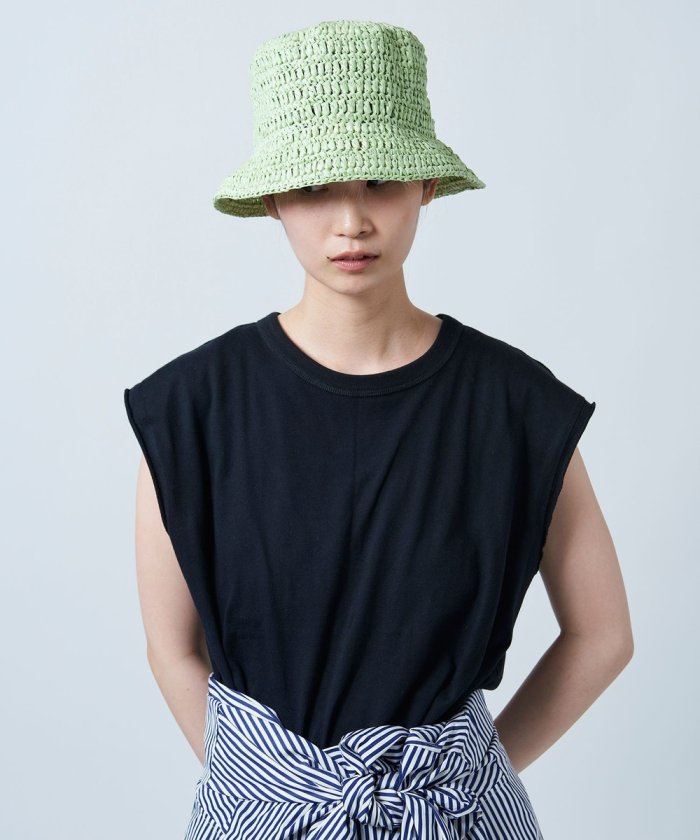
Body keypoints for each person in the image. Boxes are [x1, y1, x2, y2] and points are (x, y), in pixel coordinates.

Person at [124, 19, 633, 840]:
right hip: (257, 817)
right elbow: (172, 648)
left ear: (425, 186)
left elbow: (603, 635)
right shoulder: (191, 408)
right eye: (315, 188)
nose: (351, 221)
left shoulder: (516, 406)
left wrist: (461, 779)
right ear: (273, 200)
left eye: (380, 181)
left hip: (455, 817)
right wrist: (277, 787)